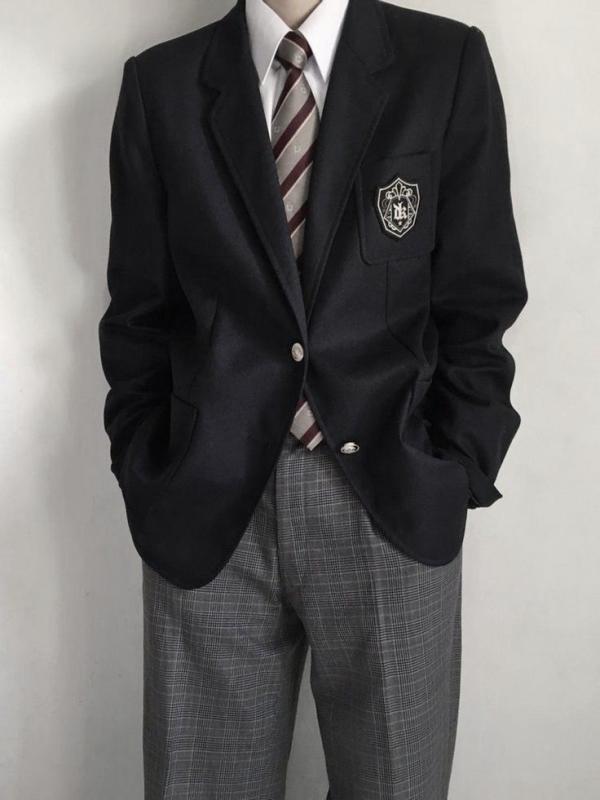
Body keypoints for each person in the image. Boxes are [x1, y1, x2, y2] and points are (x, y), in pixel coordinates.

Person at [98, 0, 527, 797]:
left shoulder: (444, 64)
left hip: (391, 502)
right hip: (207, 513)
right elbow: (139, 312)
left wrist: (457, 464)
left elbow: (479, 292)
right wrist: (147, 464)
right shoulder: (162, 86)